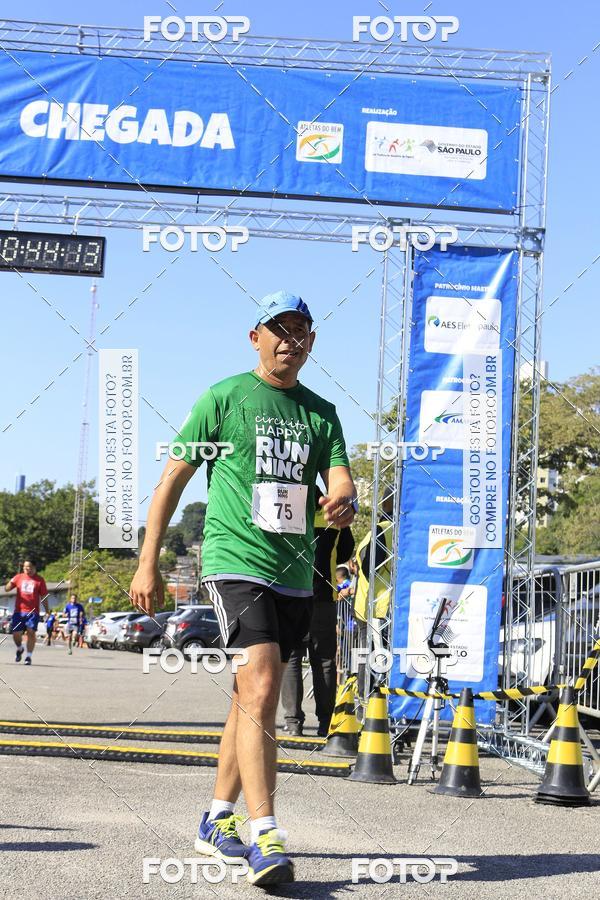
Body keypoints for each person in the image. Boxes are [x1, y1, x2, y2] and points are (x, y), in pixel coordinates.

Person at [130, 290, 357, 887]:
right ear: (255, 338)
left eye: (301, 331)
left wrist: (343, 501)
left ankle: (215, 818)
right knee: (260, 686)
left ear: (311, 342)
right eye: (279, 329)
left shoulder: (322, 412)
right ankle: (267, 835)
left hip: (295, 573)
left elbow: (341, 479)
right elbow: (172, 478)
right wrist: (148, 561)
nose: (290, 340)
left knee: (247, 698)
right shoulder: (225, 397)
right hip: (235, 562)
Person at [281, 489, 354, 737]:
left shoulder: (286, 513)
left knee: (292, 658)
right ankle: (325, 722)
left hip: (290, 593)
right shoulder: (333, 518)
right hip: (323, 597)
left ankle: (293, 722)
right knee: (324, 660)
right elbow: (345, 552)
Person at [5, 560, 49, 665]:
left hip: (33, 612)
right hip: (19, 611)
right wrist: (10, 582)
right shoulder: (19, 577)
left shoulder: (39, 580)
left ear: (34, 567)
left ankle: (28, 657)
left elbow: (44, 596)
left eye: (28, 566)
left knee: (31, 632)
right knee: (16, 634)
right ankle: (20, 648)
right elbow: (7, 589)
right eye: (24, 567)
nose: (25, 568)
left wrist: (47, 610)